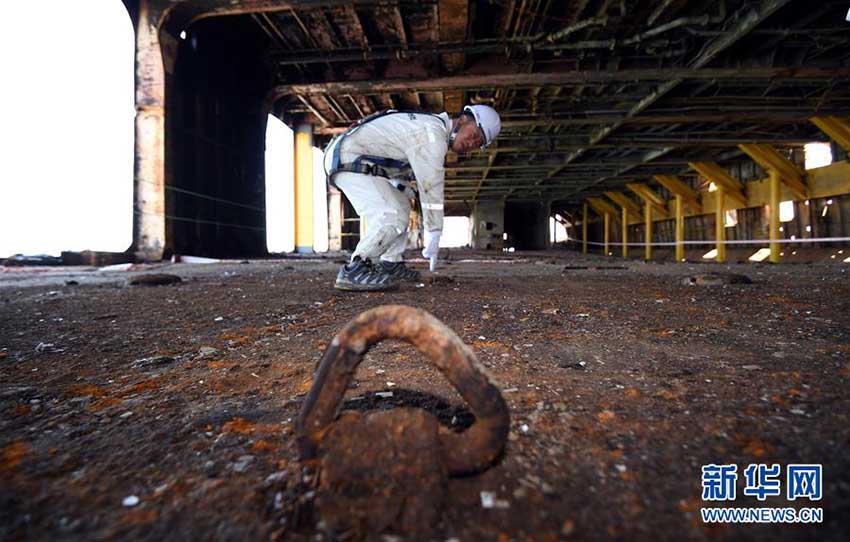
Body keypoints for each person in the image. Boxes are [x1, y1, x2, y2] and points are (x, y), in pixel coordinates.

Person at [323, 105, 501, 291]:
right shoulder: (432, 134)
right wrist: (434, 231)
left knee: (401, 206)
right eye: (475, 133)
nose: (473, 142)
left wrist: (403, 188)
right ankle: (356, 268)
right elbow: (431, 183)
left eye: (479, 142)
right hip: (348, 157)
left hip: (359, 160)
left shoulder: (428, 128)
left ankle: (390, 263)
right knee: (391, 213)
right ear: (464, 119)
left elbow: (395, 163)